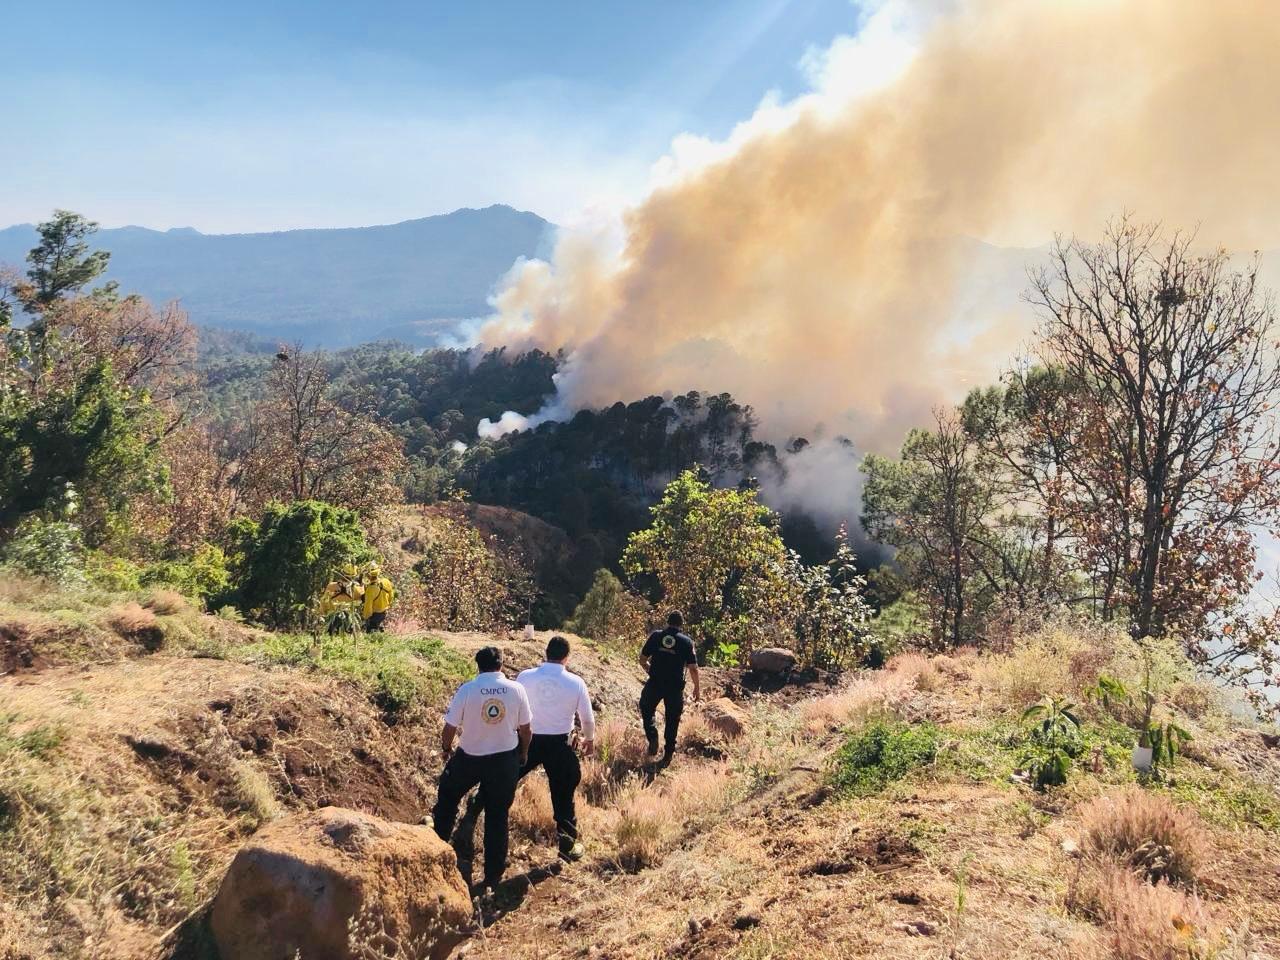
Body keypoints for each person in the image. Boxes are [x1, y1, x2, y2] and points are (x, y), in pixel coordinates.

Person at [432, 646, 532, 892]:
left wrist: (446, 748)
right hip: (504, 759)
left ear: (478, 665)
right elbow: (526, 729)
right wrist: (523, 752)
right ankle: (492, 876)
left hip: (469, 757)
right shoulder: (516, 689)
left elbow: (449, 727)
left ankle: (436, 851)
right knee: (497, 815)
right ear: (501, 664)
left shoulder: (467, 689)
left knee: (447, 799)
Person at [492, 635, 595, 861]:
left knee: (505, 780)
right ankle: (567, 845)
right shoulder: (576, 682)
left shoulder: (525, 676)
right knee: (563, 794)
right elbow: (587, 719)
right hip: (560, 744)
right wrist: (589, 739)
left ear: (546, 653)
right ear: (567, 658)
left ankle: (479, 813)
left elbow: (513, 707)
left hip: (527, 739)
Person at [639, 611, 701, 766]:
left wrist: (650, 670)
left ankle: (652, 736)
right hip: (674, 687)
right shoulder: (687, 642)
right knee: (672, 720)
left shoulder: (656, 636)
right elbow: (693, 668)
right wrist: (697, 688)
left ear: (667, 622)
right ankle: (667, 755)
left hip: (655, 682)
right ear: (681, 625)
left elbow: (642, 659)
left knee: (646, 708)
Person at [360, 562, 395, 632]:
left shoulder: (370, 589)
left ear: (368, 575)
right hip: (384, 612)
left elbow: (368, 606)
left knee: (371, 633)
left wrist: (365, 617)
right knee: (379, 630)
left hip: (374, 615)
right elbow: (391, 596)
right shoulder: (386, 581)